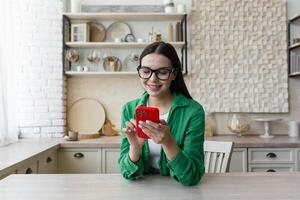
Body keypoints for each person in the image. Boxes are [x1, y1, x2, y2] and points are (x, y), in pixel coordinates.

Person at [118, 42, 205, 186]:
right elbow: (127, 172)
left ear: (174, 74)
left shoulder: (193, 111)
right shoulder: (129, 109)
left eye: (162, 72)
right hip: (142, 191)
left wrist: (168, 142)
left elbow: (192, 177)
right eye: (146, 71)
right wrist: (135, 147)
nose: (152, 79)